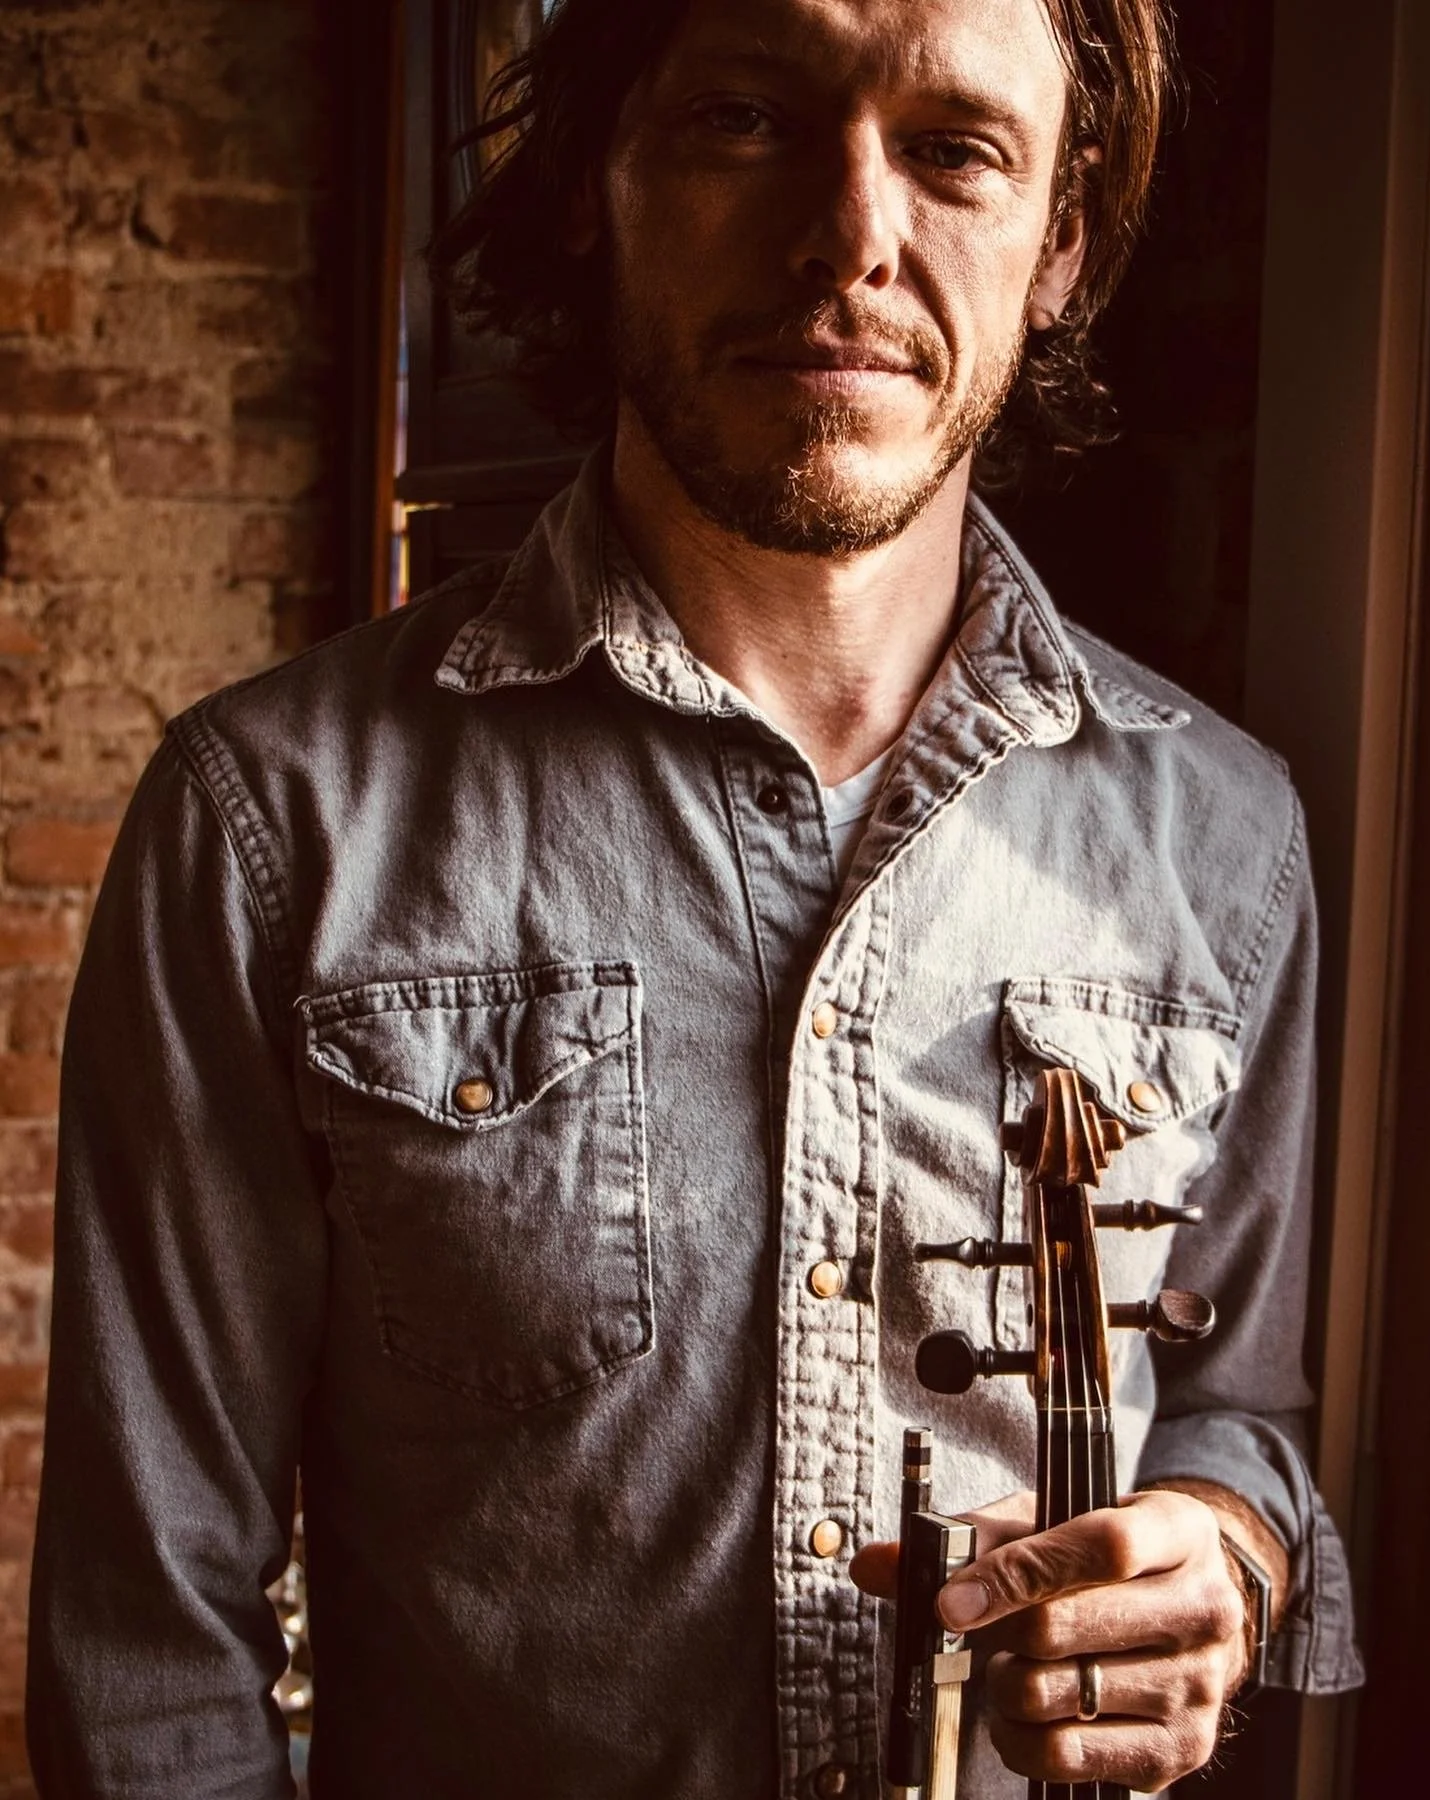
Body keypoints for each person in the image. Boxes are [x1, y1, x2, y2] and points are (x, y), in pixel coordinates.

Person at [27, 0, 1362, 1795]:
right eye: (747, 118)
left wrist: (1229, 1552)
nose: (851, 236)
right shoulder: (266, 819)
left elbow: (1236, 1411)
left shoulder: (1228, 834)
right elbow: (149, 1645)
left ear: (1059, 242)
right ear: (601, 177)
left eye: (955, 151)